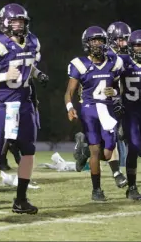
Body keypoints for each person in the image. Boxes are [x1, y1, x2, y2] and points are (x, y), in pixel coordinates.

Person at [0, 3, 47, 214]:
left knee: (29, 150)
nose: (19, 25)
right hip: (0, 103)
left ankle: (21, 199)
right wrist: (5, 76)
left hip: (24, 103)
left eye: (22, 21)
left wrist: (36, 74)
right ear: (5, 22)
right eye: (15, 21)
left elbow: (27, 63)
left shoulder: (32, 41)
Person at [64, 26, 124, 201]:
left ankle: (83, 149)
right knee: (96, 151)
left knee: (107, 152)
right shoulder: (80, 64)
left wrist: (117, 94)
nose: (97, 44)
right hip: (89, 109)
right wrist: (70, 107)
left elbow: (119, 87)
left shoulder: (114, 62)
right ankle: (96, 190)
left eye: (100, 40)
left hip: (108, 109)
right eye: (93, 40)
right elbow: (69, 91)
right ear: (87, 43)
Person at [119, 29, 141, 199]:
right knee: (133, 148)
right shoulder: (122, 61)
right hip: (130, 112)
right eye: (137, 45)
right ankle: (132, 187)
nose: (140, 48)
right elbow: (108, 79)